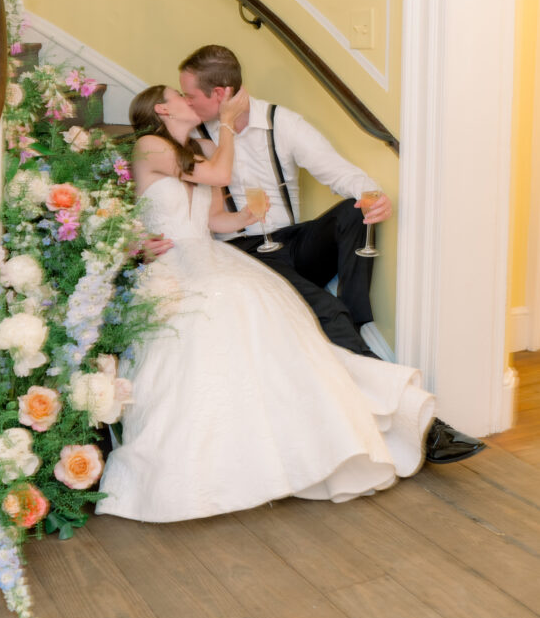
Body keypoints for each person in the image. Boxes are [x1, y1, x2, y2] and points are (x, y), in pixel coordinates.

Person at [95, 84, 435, 522]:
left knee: (256, 295)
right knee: (216, 303)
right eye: (179, 95)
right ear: (162, 109)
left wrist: (245, 218)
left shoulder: (201, 145)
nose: (188, 99)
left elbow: (215, 217)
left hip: (209, 250)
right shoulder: (149, 145)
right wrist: (229, 128)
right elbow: (218, 177)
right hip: (172, 260)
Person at [172, 44, 483, 466]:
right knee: (327, 313)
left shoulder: (282, 123)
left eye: (190, 94)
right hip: (246, 252)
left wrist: (373, 197)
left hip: (292, 242)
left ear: (221, 94)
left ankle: (352, 317)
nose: (186, 102)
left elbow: (337, 171)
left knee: (355, 209)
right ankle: (426, 428)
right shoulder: (192, 139)